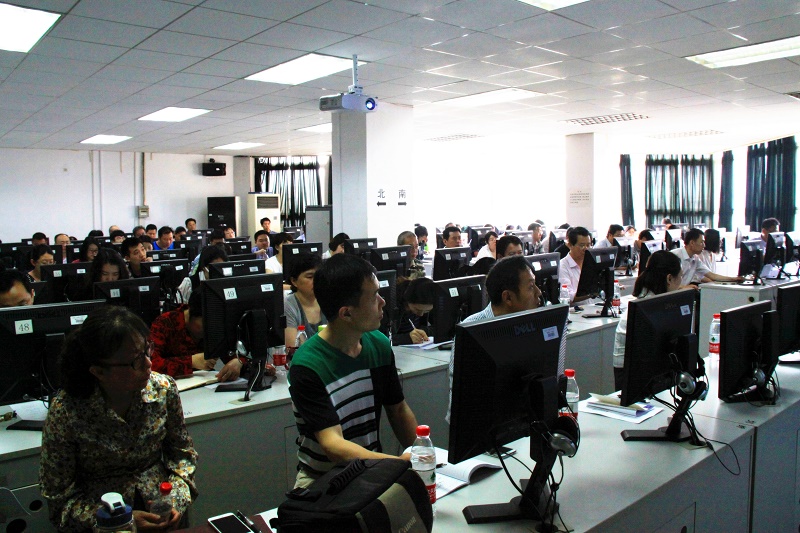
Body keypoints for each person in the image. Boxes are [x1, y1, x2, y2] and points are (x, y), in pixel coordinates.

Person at [39, 306, 197, 532]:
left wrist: (177, 500)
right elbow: (59, 499)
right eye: (135, 361)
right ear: (98, 371)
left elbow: (183, 455)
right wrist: (118, 521)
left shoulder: (163, 389)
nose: (148, 364)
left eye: (147, 350)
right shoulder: (66, 411)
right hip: (102, 519)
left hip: (161, 510)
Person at [288, 254, 419, 487]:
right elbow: (333, 444)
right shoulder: (308, 364)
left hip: (370, 472)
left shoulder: (378, 345)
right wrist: (397, 464)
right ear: (346, 313)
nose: (383, 302)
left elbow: (398, 410)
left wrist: (420, 453)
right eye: (374, 296)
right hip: (322, 481)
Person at [447, 255, 543, 422]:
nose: (539, 292)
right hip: (480, 427)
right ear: (508, 297)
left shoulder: (533, 324)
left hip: (524, 421)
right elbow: (465, 398)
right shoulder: (472, 331)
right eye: (530, 287)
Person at [613, 251, 685, 390]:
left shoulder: (654, 303)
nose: (682, 281)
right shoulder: (645, 309)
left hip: (650, 373)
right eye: (681, 276)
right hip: (634, 377)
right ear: (669, 279)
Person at [149, 290, 245, 383]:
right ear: (191, 313)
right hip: (171, 386)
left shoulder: (215, 327)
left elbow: (235, 353)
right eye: (205, 324)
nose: (209, 330)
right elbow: (151, 364)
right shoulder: (165, 323)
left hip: (205, 385)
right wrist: (191, 362)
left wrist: (238, 362)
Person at [284, 252, 327, 350]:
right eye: (310, 277)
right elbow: (293, 348)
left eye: (318, 276)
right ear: (294, 281)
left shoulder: (327, 300)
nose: (316, 281)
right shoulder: (288, 306)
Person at [672, 228, 742, 286]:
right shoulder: (675, 256)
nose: (704, 245)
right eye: (701, 242)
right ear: (692, 243)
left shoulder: (695, 259)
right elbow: (669, 283)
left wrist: (734, 279)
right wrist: (684, 287)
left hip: (682, 292)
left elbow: (712, 276)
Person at [392, 277, 435, 346]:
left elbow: (440, 328)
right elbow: (382, 337)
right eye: (417, 310)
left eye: (427, 311)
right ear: (407, 301)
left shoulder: (428, 299)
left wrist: (424, 331)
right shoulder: (392, 305)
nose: (421, 314)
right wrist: (407, 338)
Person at [558, 226, 592, 304]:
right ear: (570, 245)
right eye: (582, 245)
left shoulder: (590, 263)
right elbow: (567, 295)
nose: (586, 249)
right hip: (575, 310)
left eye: (588, 245)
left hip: (592, 307)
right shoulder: (563, 266)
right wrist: (591, 293)